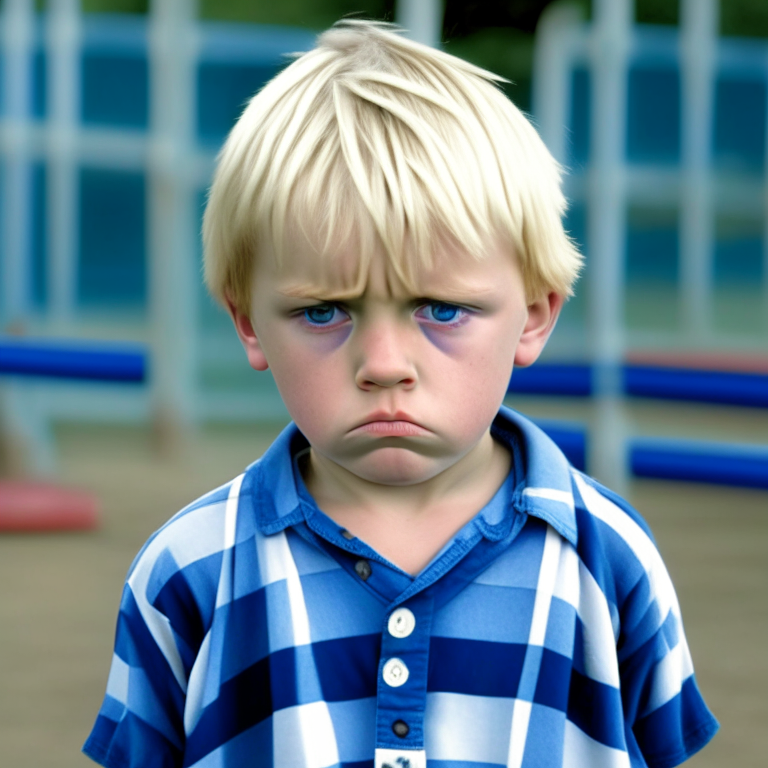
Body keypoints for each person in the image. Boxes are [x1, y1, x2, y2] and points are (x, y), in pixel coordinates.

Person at [83, 20, 718, 768]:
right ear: (248, 322)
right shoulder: (187, 571)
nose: (383, 364)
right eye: (324, 312)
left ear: (536, 314)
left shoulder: (609, 558)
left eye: (440, 309)